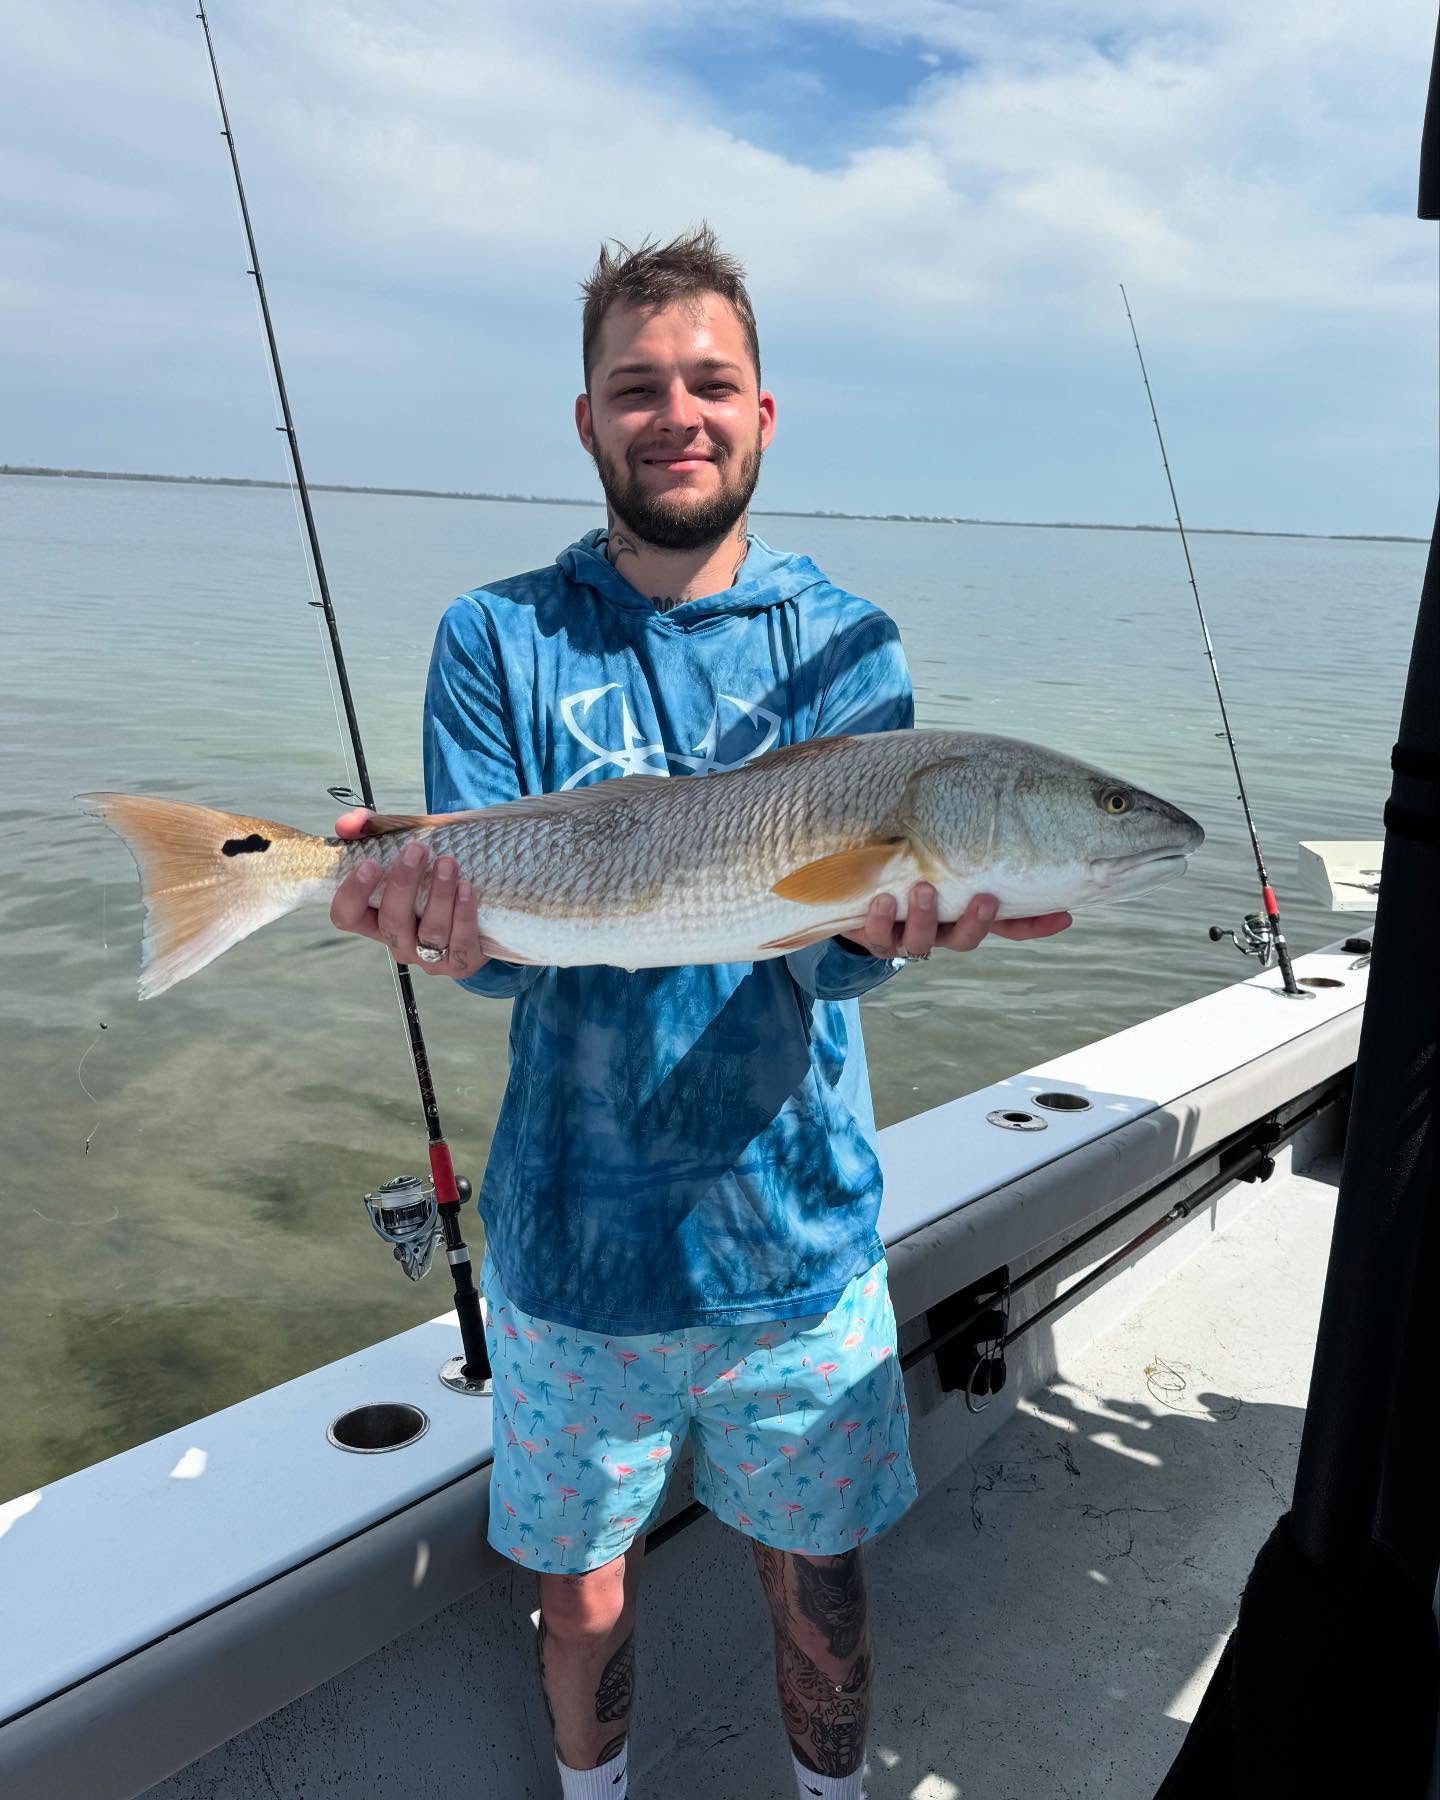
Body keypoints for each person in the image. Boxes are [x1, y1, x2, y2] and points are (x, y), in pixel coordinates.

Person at [330, 226, 1070, 1800]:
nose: (678, 411)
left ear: (763, 413)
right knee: (581, 1591)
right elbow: (513, 953)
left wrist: (889, 942)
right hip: (570, 1241)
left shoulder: (846, 642)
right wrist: (441, 933)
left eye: (710, 382)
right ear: (588, 420)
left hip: (796, 1238)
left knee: (821, 1576)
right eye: (638, 385)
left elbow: (832, 953)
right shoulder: (496, 636)